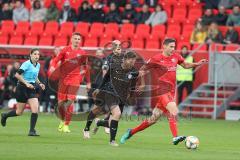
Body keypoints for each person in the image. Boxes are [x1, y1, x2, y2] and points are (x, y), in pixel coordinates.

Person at [120, 38, 208, 145]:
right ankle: (175, 137)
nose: (173, 49)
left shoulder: (176, 56)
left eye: (174, 47)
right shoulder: (156, 58)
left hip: (171, 91)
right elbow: (143, 69)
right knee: (174, 110)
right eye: (171, 46)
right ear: (164, 46)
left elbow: (185, 65)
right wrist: (137, 79)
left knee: (153, 119)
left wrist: (197, 63)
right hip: (162, 90)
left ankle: (131, 132)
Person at [83, 51, 144, 147]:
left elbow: (132, 86)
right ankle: (108, 139)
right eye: (131, 60)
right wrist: (99, 88)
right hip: (109, 92)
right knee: (114, 113)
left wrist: (131, 97)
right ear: (124, 59)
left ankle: (99, 122)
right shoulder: (114, 66)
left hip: (122, 96)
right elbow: (106, 77)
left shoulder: (133, 71)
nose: (132, 62)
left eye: (134, 60)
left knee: (111, 121)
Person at [48, 32, 90, 133]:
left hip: (75, 79)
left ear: (80, 41)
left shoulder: (83, 53)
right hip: (63, 79)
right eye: (75, 38)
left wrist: (88, 82)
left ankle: (66, 125)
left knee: (71, 100)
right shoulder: (65, 50)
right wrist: (53, 65)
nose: (77, 41)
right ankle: (62, 120)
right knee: (61, 103)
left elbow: (86, 67)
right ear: (71, 39)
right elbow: (56, 60)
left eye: (78, 39)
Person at [1, 48, 45, 136]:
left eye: (38, 54)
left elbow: (35, 76)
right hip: (21, 88)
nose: (37, 56)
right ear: (31, 55)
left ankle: (32, 131)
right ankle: (5, 115)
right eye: (35, 54)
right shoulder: (26, 64)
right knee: (19, 112)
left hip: (31, 89)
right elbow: (17, 75)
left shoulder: (38, 65)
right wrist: (26, 83)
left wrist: (40, 83)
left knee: (35, 109)